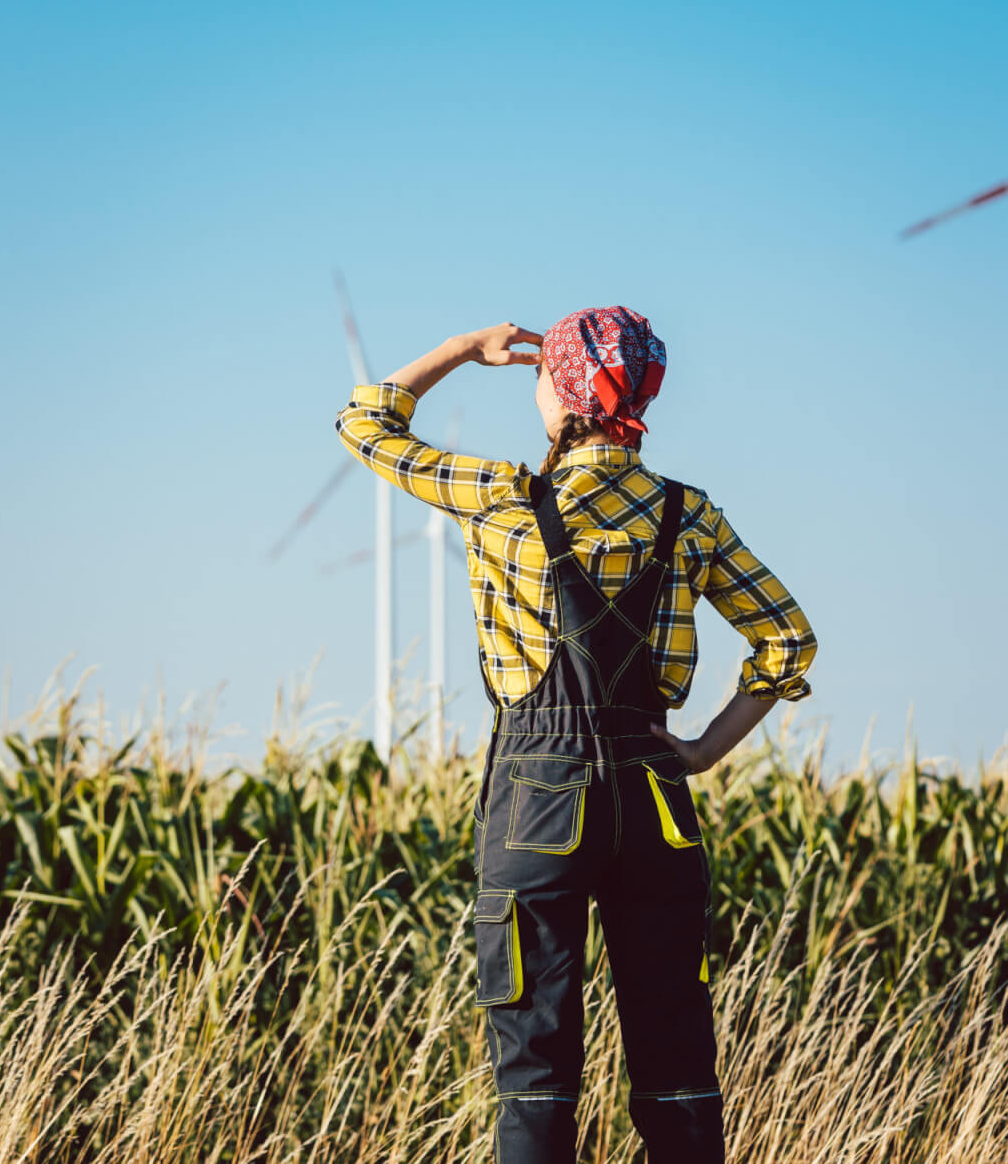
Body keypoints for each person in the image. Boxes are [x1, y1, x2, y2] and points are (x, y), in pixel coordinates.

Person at [333, 307, 817, 1164]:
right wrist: (703, 750)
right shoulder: (688, 515)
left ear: (559, 390)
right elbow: (787, 639)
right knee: (677, 1072)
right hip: (654, 797)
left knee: (537, 1081)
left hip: (535, 800)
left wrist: (458, 348)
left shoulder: (500, 497)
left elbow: (365, 423)